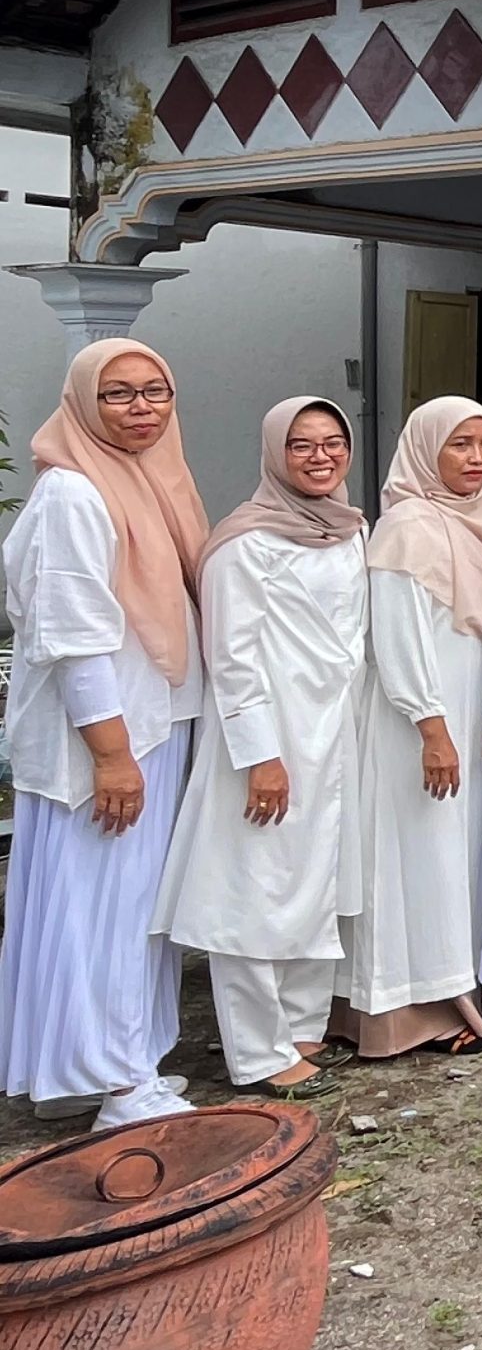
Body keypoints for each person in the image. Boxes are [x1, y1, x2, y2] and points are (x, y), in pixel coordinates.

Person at [0, 340, 208, 1128]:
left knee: (126, 907)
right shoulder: (73, 496)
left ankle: (108, 1065)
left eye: (156, 390)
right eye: (119, 394)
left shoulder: (150, 482)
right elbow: (75, 636)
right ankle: (117, 1082)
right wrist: (112, 756)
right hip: (108, 738)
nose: (142, 408)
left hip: (151, 722)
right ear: (84, 402)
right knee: (102, 908)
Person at [155, 398, 369, 1099]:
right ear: (275, 453)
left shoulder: (347, 530)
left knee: (316, 882)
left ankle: (302, 1030)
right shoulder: (244, 542)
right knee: (253, 888)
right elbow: (232, 657)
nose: (320, 457)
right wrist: (260, 755)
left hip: (332, 735)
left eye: (332, 443)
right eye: (302, 445)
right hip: (270, 739)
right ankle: (255, 1051)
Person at [338, 397, 482, 1059]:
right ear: (426, 449)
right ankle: (408, 1006)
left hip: (460, 718)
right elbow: (397, 640)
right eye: (459, 445)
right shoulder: (406, 527)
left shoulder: (476, 526)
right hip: (421, 724)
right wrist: (432, 729)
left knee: (452, 858)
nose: (476, 459)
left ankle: (457, 990)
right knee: (415, 858)